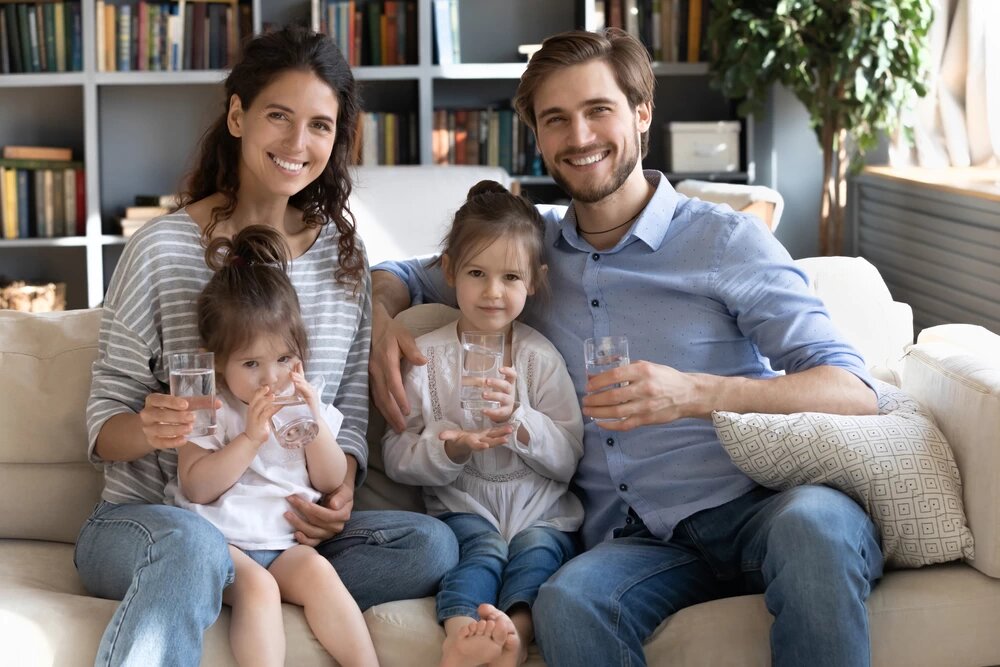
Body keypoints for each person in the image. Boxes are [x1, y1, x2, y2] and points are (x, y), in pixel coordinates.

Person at [369, 28, 884, 667]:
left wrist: (698, 393)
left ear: (642, 114)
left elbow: (853, 392)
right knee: (568, 602)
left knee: (816, 528)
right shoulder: (528, 256)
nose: (578, 137)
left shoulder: (725, 242)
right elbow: (405, 270)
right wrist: (381, 315)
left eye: (598, 111)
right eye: (556, 120)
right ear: (538, 137)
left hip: (761, 507)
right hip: (636, 541)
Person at [75, 26, 456, 667]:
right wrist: (151, 427)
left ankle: (246, 583)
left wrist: (340, 498)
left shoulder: (343, 257)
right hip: (155, 520)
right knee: (193, 548)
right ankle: (217, 579)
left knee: (431, 547)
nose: (297, 143)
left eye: (320, 126)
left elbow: (347, 420)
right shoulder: (161, 250)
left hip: (277, 529)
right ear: (236, 114)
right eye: (278, 116)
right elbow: (101, 429)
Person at [381, 181, 584, 667]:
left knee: (539, 550)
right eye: (477, 273)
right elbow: (395, 454)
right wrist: (448, 449)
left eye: (511, 278)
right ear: (449, 271)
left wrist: (520, 419)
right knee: (482, 552)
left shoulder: (539, 358)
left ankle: (515, 631)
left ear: (533, 281)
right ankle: (462, 633)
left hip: (541, 511)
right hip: (463, 507)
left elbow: (568, 459)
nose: (493, 293)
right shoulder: (426, 358)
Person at [171, 225, 378, 667]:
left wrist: (315, 420)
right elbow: (197, 488)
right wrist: (249, 438)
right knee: (259, 589)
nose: (271, 378)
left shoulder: (305, 400)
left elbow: (329, 479)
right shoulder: (208, 406)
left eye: (284, 360)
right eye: (251, 364)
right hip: (219, 543)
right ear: (218, 361)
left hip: (283, 544)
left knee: (320, 573)